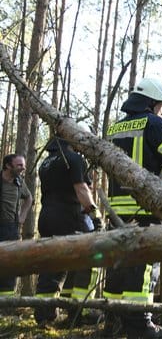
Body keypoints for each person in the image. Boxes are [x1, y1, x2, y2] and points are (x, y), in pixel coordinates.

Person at [103, 77, 162, 338]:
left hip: (116, 209)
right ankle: (140, 326)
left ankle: (111, 320)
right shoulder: (156, 124)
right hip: (145, 207)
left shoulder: (115, 127)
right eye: (161, 106)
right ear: (153, 103)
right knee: (144, 264)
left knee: (117, 262)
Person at [34, 132, 102, 326]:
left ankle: (44, 313)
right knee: (87, 259)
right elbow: (81, 189)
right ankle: (79, 310)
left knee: (51, 264)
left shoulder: (45, 163)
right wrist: (94, 215)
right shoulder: (73, 158)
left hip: (46, 216)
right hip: (69, 216)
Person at [0, 154, 33, 298]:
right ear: (8, 166)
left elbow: (29, 198)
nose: (23, 168)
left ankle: (5, 306)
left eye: (23, 165)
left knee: (9, 264)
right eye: (19, 165)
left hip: (10, 228)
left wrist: (23, 216)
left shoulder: (19, 182)